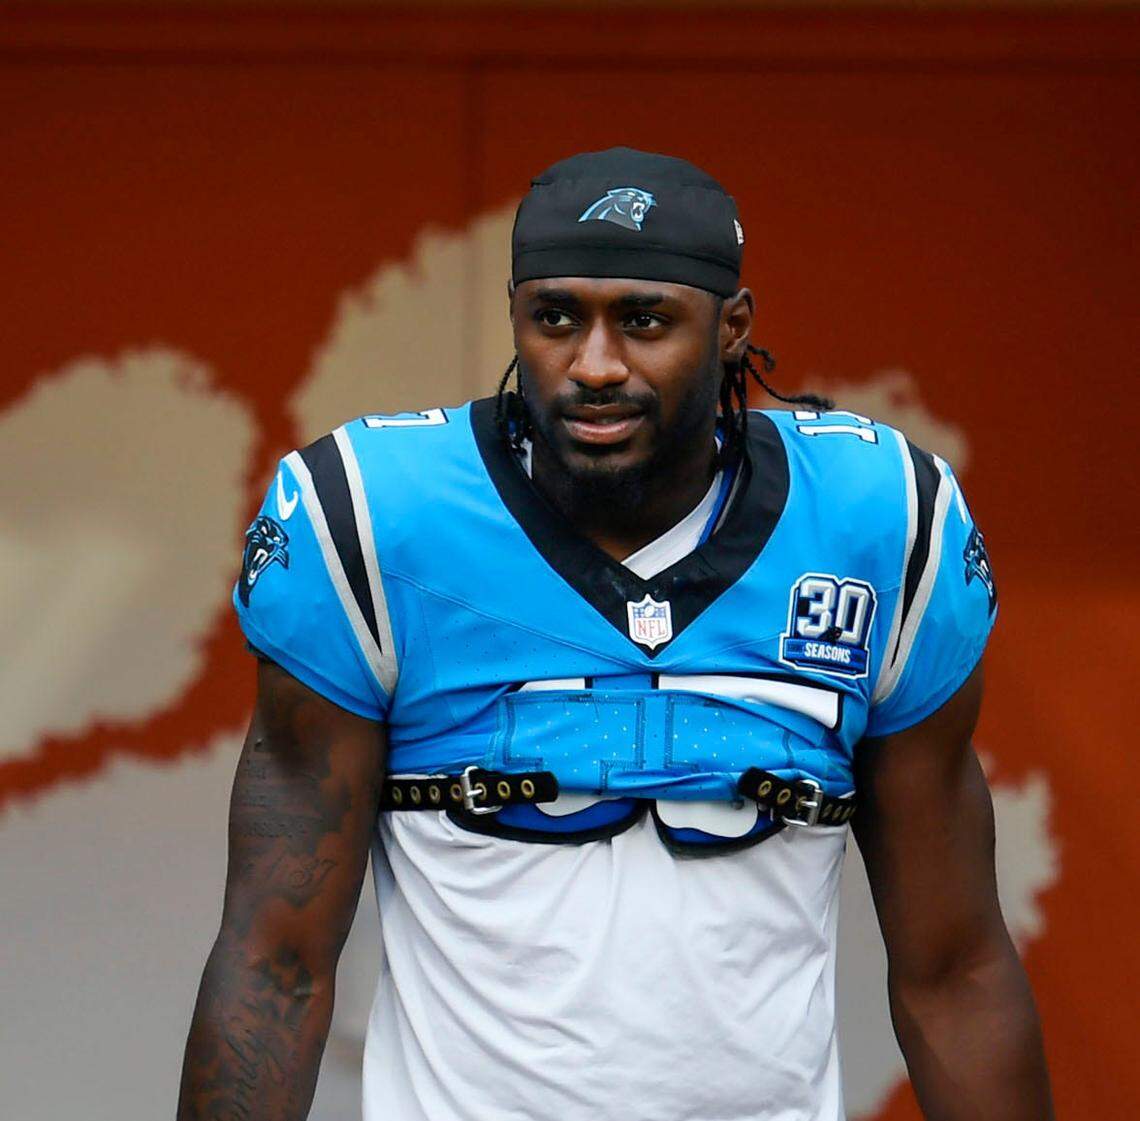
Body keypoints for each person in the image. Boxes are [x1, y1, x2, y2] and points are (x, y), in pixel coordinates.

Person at [177, 147, 1053, 1121]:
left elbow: (956, 967)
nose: (594, 365)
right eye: (556, 317)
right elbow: (276, 961)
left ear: (734, 329)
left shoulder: (878, 521)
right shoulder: (376, 520)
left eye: (643, 320)